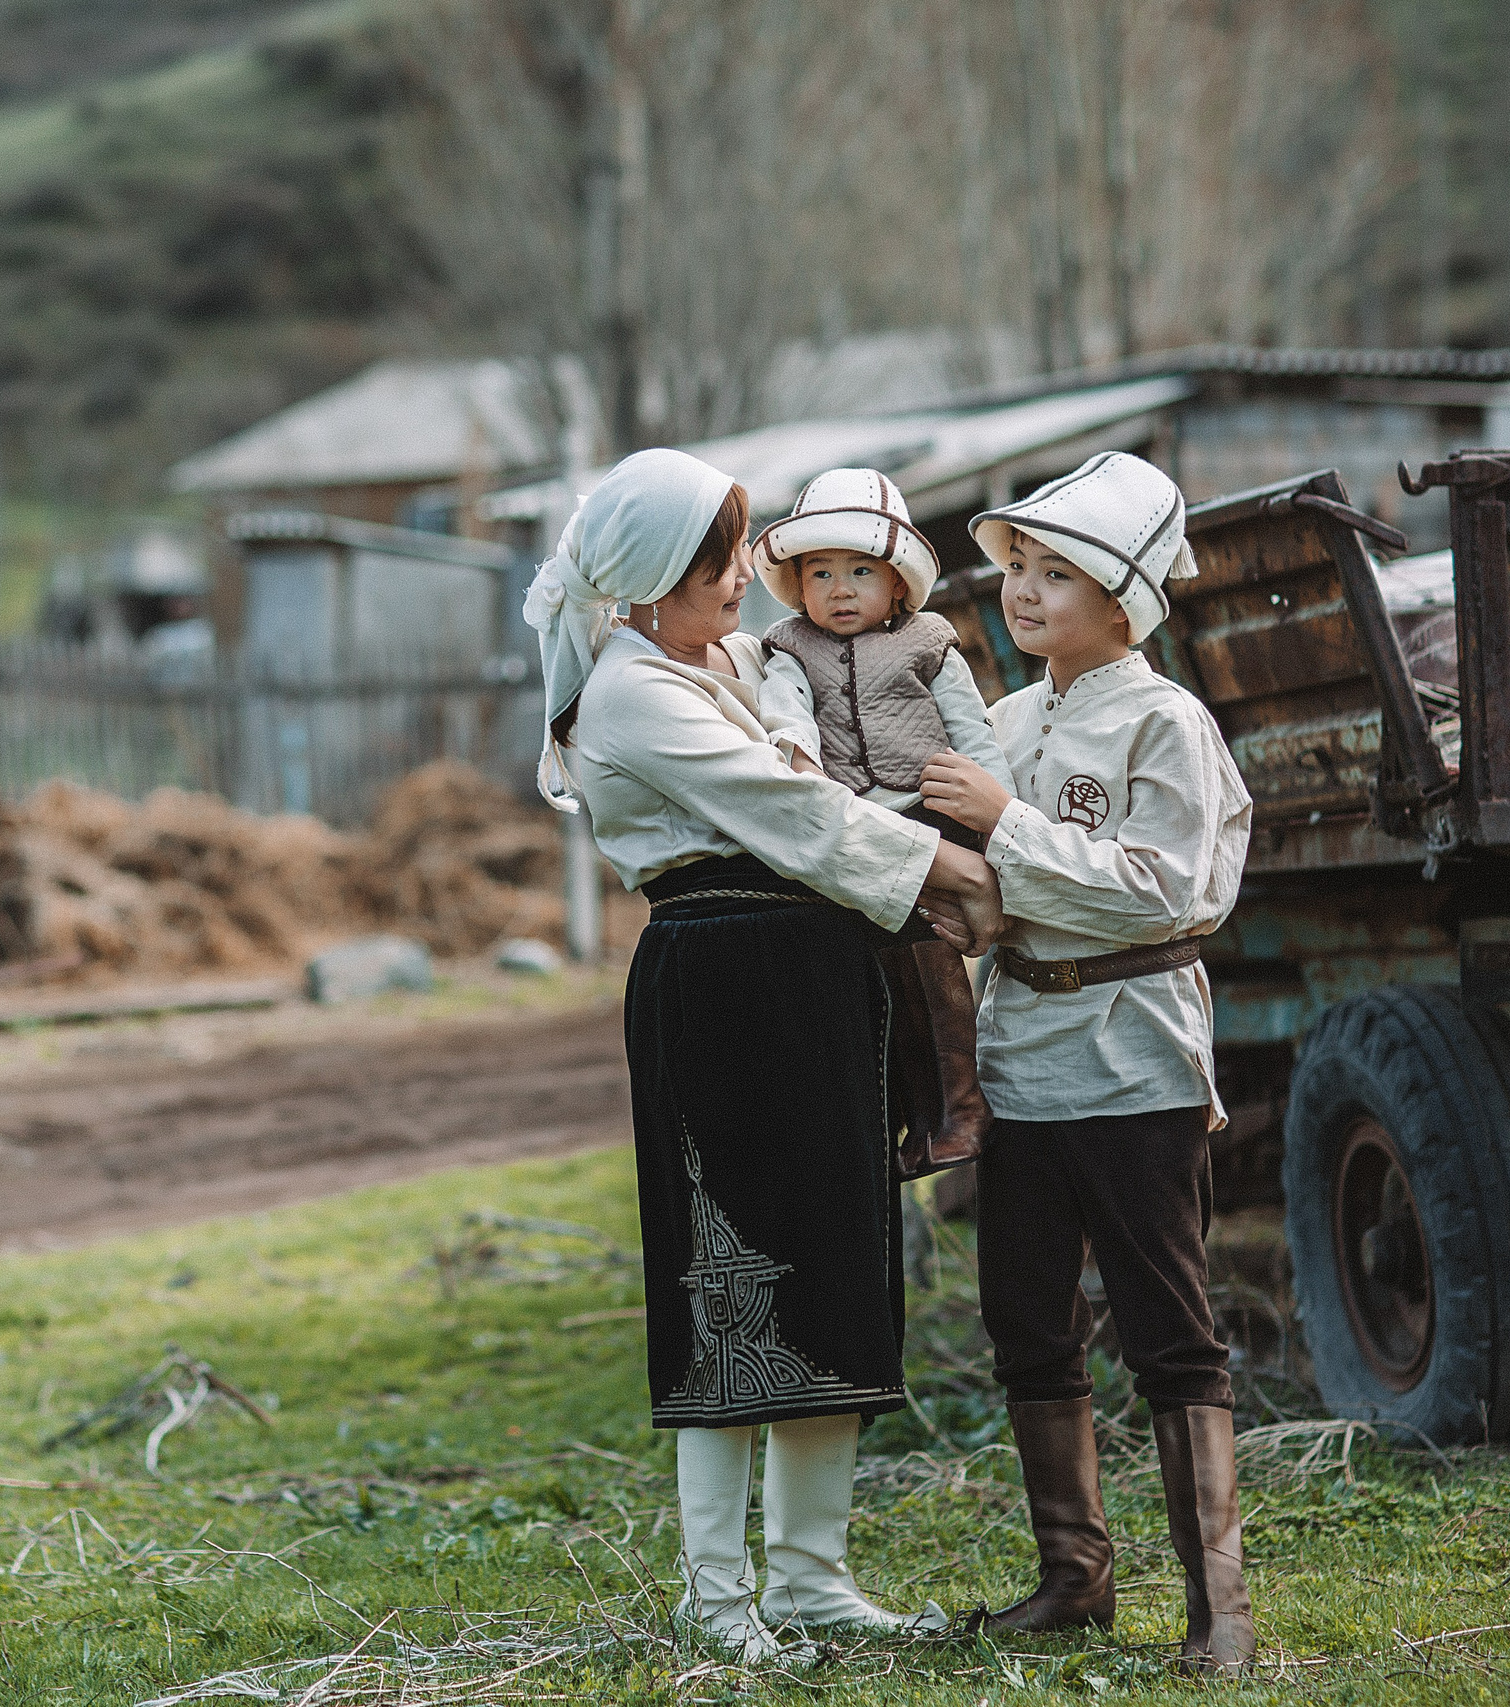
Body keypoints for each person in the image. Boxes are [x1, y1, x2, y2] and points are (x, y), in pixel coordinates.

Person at [526, 447, 1004, 1665]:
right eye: (719, 560)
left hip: (816, 971)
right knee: (726, 1277)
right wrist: (939, 867)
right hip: (721, 974)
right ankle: (718, 1594)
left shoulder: (736, 660)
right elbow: (790, 812)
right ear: (643, 583)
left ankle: (810, 1576)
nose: (747, 575)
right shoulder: (631, 693)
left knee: (837, 1262)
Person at [917, 450, 1258, 1674]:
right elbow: (972, 894)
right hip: (1018, 1060)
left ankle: (1218, 1606)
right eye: (1017, 569)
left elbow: (1174, 892)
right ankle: (1075, 1578)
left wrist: (1005, 827)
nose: (1023, 593)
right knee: (1026, 1323)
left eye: (1057, 574)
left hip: (1132, 1060)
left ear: (1128, 603)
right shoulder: (1006, 723)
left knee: (1168, 1328)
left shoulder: (1167, 723)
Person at [752, 468, 1013, 1180]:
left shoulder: (930, 643)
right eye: (822, 573)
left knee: (931, 959)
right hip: (858, 828)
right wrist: (800, 762)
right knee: (881, 974)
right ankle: (918, 1118)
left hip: (930, 814)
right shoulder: (789, 648)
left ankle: (963, 1106)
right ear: (799, 585)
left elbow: (974, 732)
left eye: (860, 570)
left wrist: (1000, 821)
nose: (840, 589)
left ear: (898, 582)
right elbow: (786, 711)